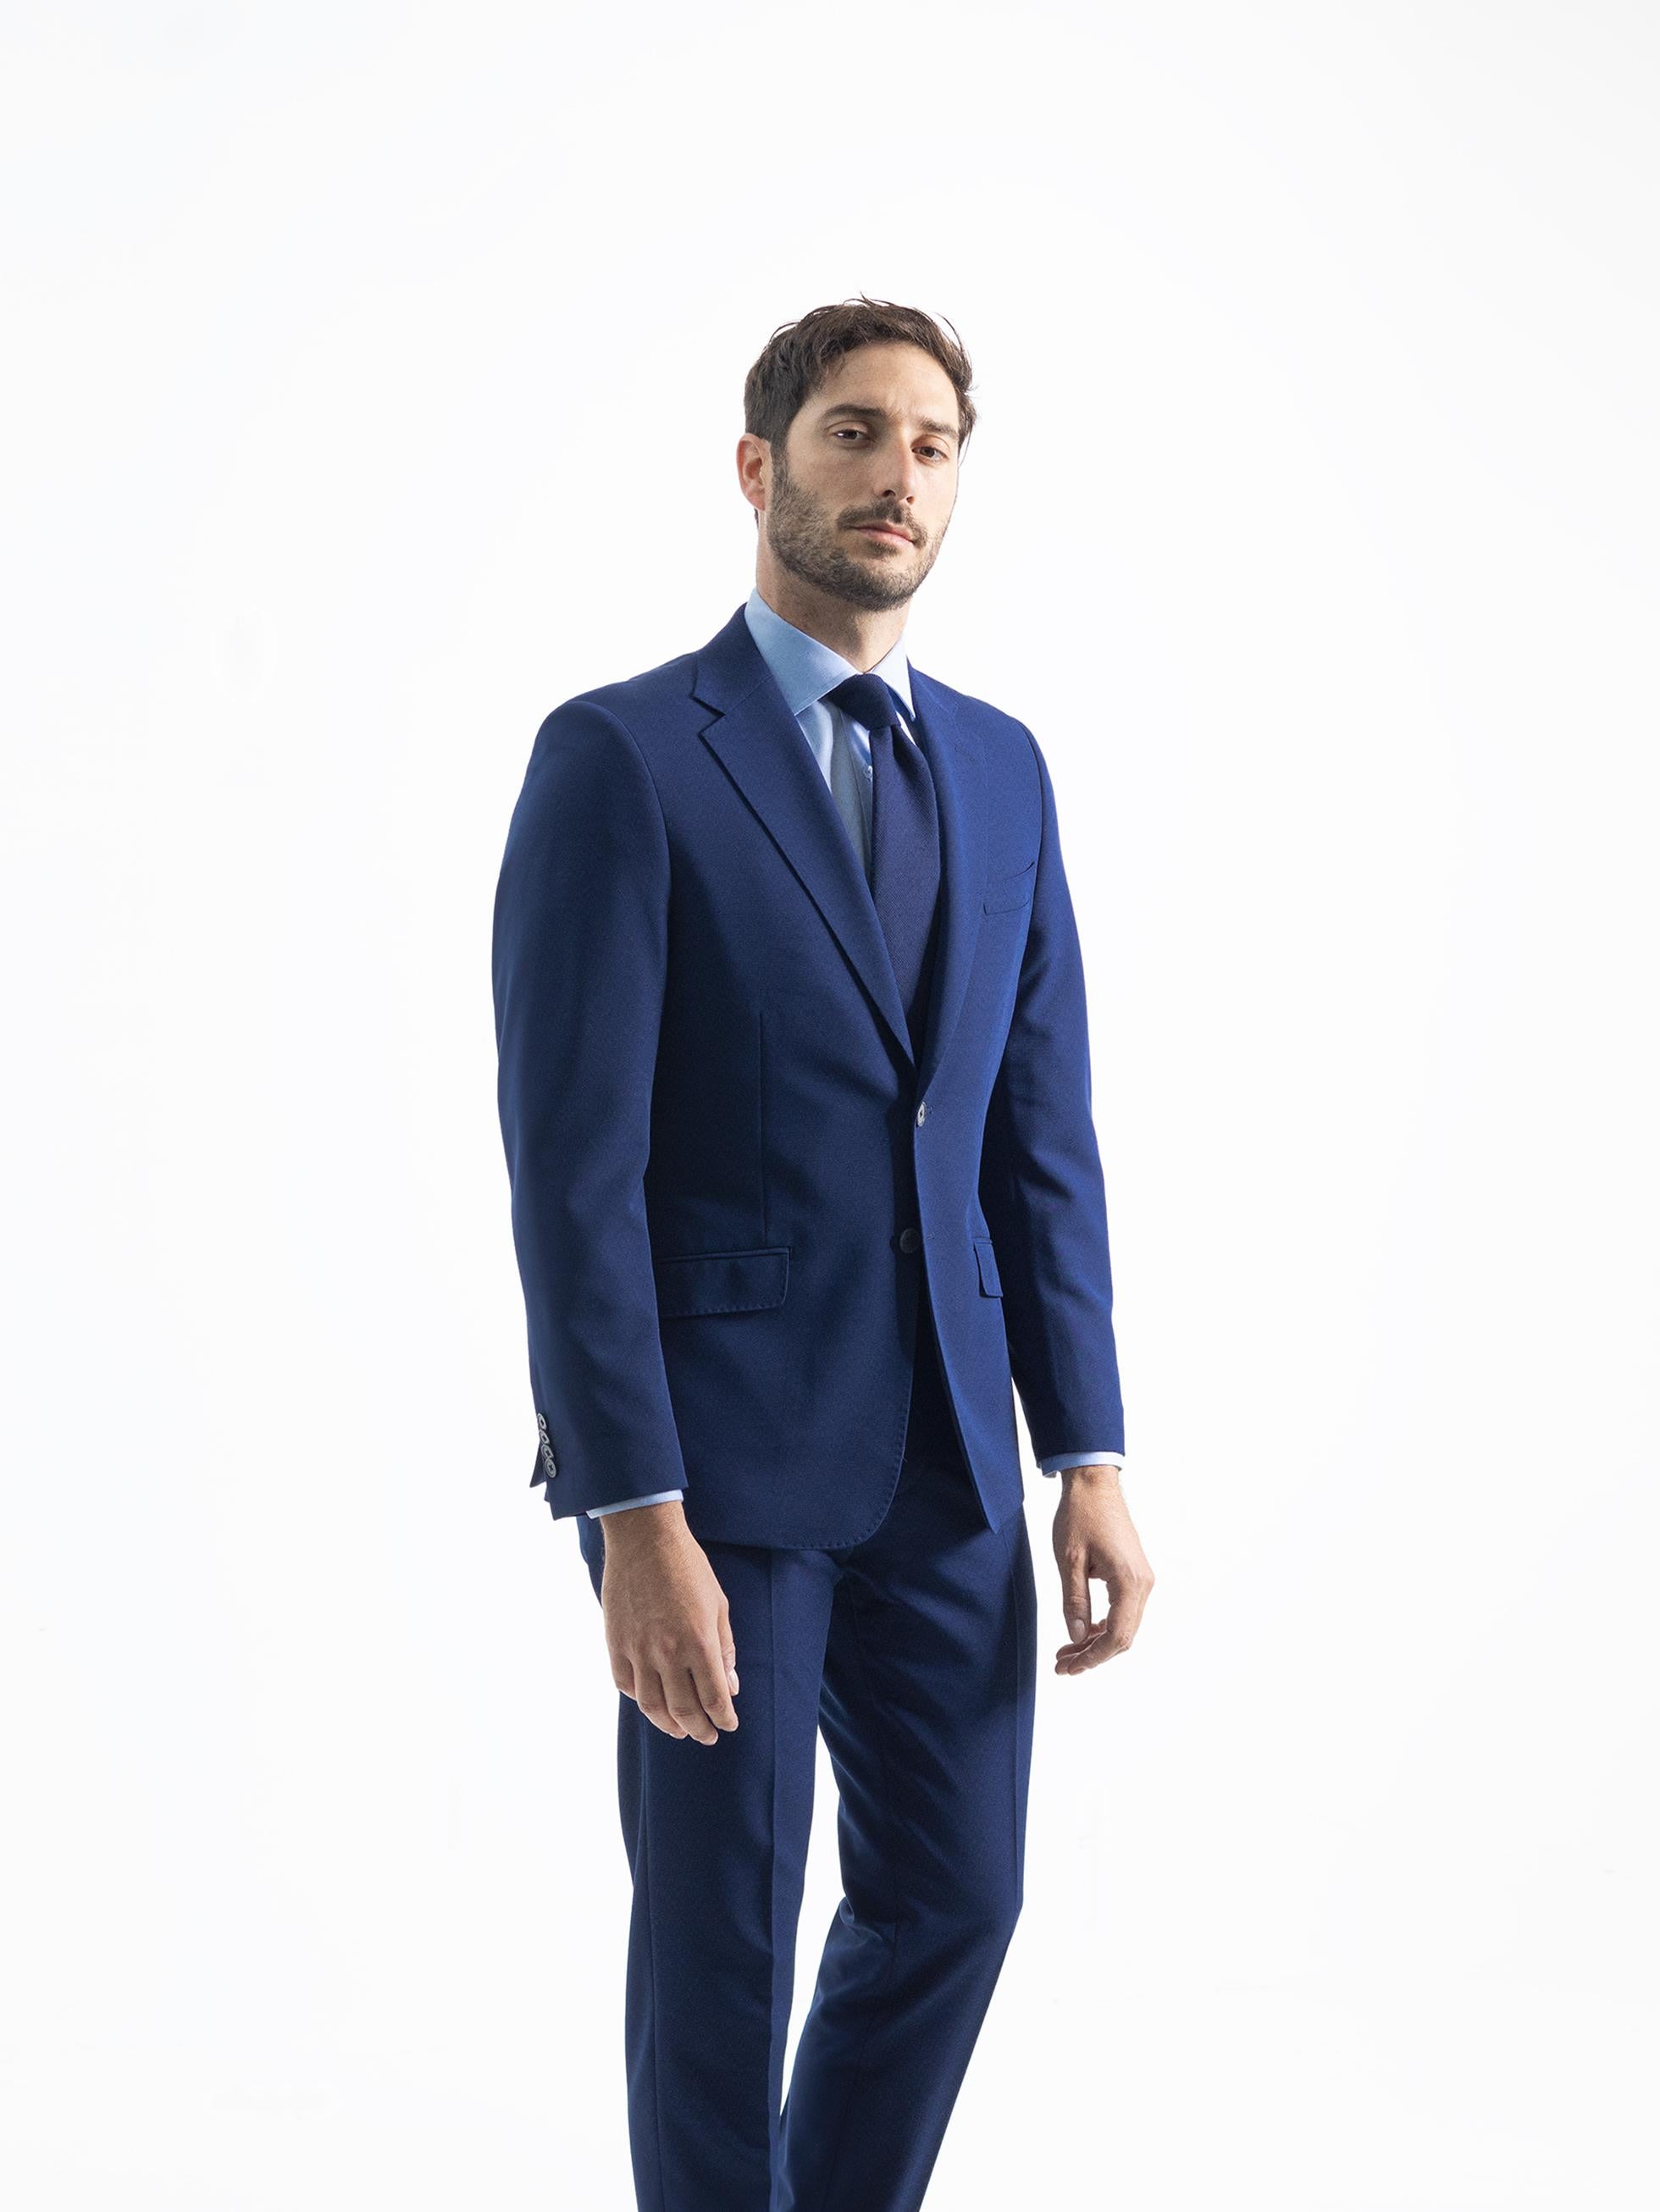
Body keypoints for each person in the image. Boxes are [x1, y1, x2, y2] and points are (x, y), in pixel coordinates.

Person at [491, 294, 1154, 2212]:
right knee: (722, 1941)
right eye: (854, 432)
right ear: (757, 465)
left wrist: (1086, 1451)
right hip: (716, 1473)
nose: (896, 476)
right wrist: (634, 1510)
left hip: (949, 1457)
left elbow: (1035, 1137)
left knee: (957, 1897)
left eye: (932, 445)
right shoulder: (624, 756)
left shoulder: (1003, 769)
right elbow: (570, 1174)